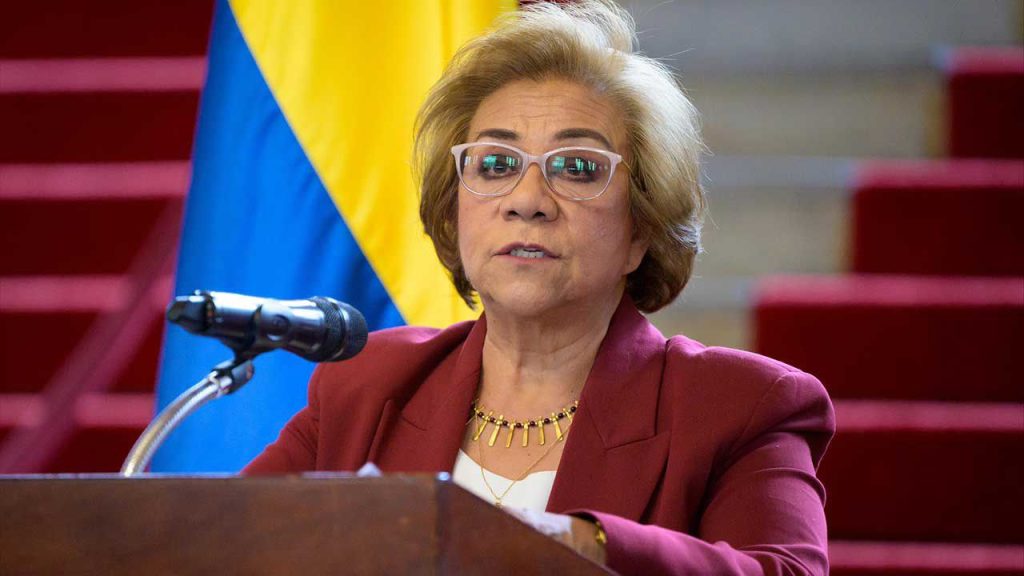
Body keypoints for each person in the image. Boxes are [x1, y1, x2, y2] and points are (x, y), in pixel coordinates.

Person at [244, 1, 835, 574]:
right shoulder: (368, 384)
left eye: (577, 167)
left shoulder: (738, 407)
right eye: (495, 164)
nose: (526, 201)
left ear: (641, 229)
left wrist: (579, 543)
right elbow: (222, 539)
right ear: (454, 211)